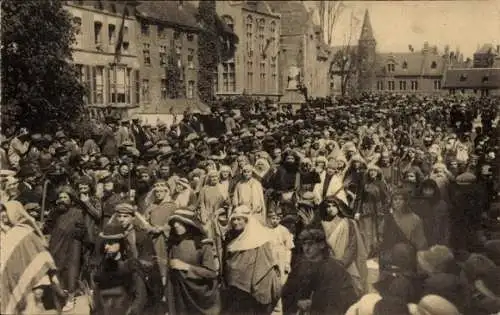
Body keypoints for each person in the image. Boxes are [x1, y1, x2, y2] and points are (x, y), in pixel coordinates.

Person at [1, 200, 68, 315]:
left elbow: (41, 255)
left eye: (5, 211)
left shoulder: (26, 231)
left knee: (34, 303)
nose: (2, 215)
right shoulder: (5, 234)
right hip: (13, 278)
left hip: (34, 276)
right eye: (1, 212)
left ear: (14, 212)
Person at [282, 228, 358, 315]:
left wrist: (314, 303)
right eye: (304, 244)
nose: (306, 248)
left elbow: (345, 298)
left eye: (310, 244)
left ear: (321, 245)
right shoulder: (299, 267)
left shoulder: (335, 269)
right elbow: (286, 293)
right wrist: (297, 302)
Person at [223, 205, 281, 315]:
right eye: (234, 219)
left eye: (239, 219)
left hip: (252, 286)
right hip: (235, 285)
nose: (235, 222)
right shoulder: (230, 236)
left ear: (247, 221)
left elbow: (266, 263)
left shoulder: (260, 239)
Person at [166, 209, 221, 315]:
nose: (176, 225)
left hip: (199, 296)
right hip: (180, 295)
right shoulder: (173, 244)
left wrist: (187, 267)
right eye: (174, 223)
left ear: (189, 224)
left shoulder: (202, 244)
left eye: (180, 222)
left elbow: (211, 273)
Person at [91, 221, 148, 315]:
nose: (106, 247)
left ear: (120, 244)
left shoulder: (131, 266)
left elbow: (140, 298)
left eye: (111, 243)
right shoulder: (101, 267)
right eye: (105, 243)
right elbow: (97, 299)